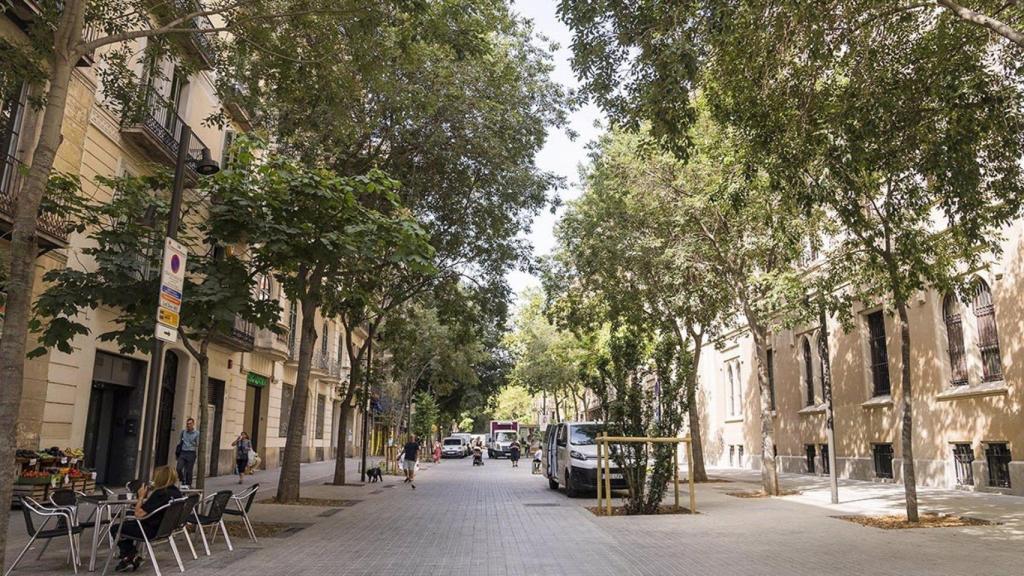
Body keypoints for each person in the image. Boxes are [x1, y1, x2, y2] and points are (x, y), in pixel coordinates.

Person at [114, 466, 183, 572]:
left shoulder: (160, 494)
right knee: (128, 524)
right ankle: (129, 556)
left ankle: (130, 555)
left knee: (115, 528)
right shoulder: (177, 493)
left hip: (150, 530)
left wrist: (141, 497)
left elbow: (138, 514)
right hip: (165, 529)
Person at [175, 418, 199, 487]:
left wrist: (192, 443)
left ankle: (188, 484)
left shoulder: (196, 433)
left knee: (189, 470)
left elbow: (198, 444)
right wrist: (177, 453)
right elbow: (180, 441)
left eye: (190, 424)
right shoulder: (183, 432)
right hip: (183, 452)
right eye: (187, 424)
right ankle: (182, 480)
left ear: (193, 424)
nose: (188, 425)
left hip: (191, 452)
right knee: (178, 468)